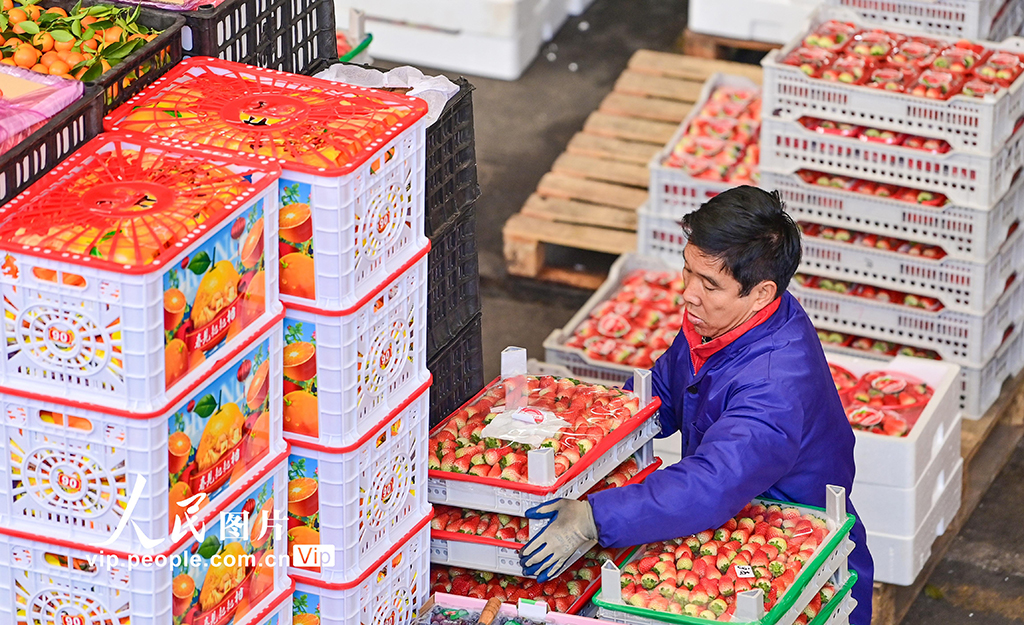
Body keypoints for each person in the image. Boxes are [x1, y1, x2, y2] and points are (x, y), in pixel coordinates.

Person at [520, 187, 873, 624]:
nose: (688, 294)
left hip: (794, 551)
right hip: (733, 530)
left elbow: (714, 483)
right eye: (688, 272)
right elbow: (665, 392)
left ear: (761, 293)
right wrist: (587, 430)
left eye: (710, 284)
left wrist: (593, 517)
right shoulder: (726, 325)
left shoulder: (773, 385)